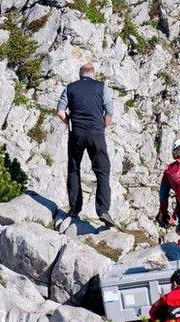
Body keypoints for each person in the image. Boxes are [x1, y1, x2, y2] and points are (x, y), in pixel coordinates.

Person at [56, 63, 116, 227]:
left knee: (74, 169)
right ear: (93, 74)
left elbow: (60, 112)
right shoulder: (101, 87)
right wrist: (102, 126)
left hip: (76, 134)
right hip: (96, 134)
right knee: (102, 171)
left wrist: (70, 122)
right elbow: (109, 112)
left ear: (80, 74)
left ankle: (75, 209)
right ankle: (103, 211)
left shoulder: (70, 88)